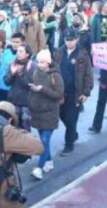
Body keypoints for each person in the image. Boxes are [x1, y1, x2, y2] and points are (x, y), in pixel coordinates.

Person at [54, 29, 93, 156]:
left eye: (71, 40)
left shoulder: (83, 54)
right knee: (61, 115)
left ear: (77, 39)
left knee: (71, 119)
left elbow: (88, 74)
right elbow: (53, 69)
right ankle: (73, 133)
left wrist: (86, 93)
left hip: (74, 92)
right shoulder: (59, 52)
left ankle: (69, 145)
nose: (69, 42)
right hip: (60, 91)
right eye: (67, 40)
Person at [28, 49, 64, 180]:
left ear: (48, 62)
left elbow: (59, 94)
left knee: (44, 141)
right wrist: (30, 104)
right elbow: (32, 93)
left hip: (50, 113)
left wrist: (42, 89)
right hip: (37, 112)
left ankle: (39, 168)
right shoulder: (36, 73)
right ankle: (48, 161)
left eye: (42, 62)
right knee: (44, 141)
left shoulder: (55, 75)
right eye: (38, 62)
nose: (40, 64)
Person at [4, 44, 37, 132]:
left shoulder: (33, 66)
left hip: (26, 102)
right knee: (12, 126)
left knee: (25, 127)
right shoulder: (12, 64)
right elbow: (6, 82)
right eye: (17, 51)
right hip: (13, 100)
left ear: (27, 54)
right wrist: (12, 74)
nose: (18, 53)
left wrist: (20, 74)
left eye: (21, 51)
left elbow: (30, 85)